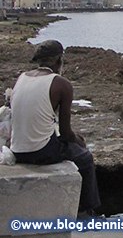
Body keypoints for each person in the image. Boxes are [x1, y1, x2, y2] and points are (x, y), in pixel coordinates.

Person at [10, 40, 101, 217]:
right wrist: (78, 141)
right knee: (85, 159)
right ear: (59, 61)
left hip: (17, 149)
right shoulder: (61, 84)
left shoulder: (22, 77)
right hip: (40, 152)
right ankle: (87, 211)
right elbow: (66, 133)